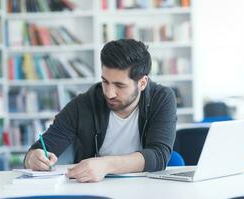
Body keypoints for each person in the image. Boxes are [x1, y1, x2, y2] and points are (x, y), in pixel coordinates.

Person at [24, 39, 177, 182]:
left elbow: (159, 156)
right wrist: (33, 158)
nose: (109, 93)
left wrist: (106, 165)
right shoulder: (83, 104)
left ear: (142, 83)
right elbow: (38, 150)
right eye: (105, 81)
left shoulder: (162, 98)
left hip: (146, 186)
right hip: (94, 188)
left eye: (120, 85)